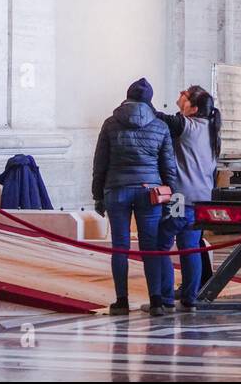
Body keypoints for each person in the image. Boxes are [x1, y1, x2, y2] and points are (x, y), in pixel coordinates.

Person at [91, 78, 178, 316]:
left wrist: (97, 195)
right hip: (149, 191)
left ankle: (121, 301)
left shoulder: (110, 124)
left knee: (120, 247)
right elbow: (168, 166)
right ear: (150, 100)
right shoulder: (160, 126)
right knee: (150, 246)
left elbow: (100, 163)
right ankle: (156, 300)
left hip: (117, 190)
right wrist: (171, 194)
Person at [154, 85, 222, 310]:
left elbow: (159, 117)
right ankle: (190, 297)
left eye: (184, 93)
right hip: (203, 198)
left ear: (193, 108)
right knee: (189, 245)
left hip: (180, 199)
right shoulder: (211, 129)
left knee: (161, 242)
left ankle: (164, 298)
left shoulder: (187, 125)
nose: (180, 93)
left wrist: (139, 102)